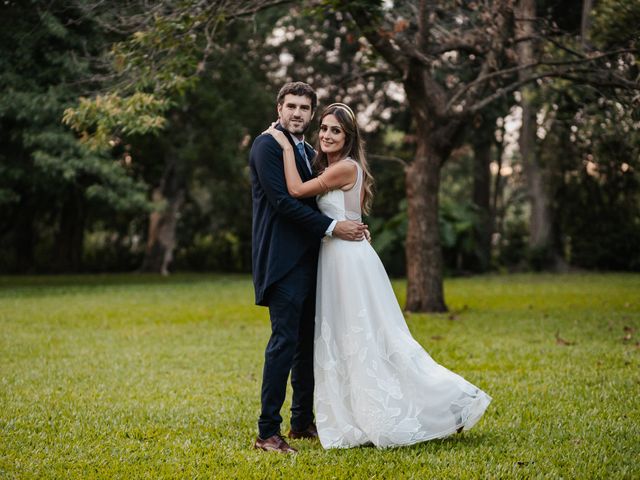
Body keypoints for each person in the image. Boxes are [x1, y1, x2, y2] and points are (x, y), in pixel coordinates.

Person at [264, 102, 492, 449]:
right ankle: (355, 414)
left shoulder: (344, 168)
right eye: (323, 128)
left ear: (348, 137)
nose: (326, 134)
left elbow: (295, 191)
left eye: (335, 130)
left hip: (347, 260)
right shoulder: (328, 164)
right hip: (336, 256)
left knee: (369, 337)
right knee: (347, 338)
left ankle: (450, 400)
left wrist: (282, 143)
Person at [249, 82, 367, 454]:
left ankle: (301, 423)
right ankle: (268, 432)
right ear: (279, 107)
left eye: (304, 108)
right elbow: (284, 202)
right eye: (291, 106)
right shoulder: (267, 145)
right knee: (283, 343)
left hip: (314, 262)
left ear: (311, 113)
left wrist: (348, 220)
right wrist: (334, 227)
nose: (297, 113)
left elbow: (325, 195)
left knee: (306, 346)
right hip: (282, 261)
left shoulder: (310, 150)